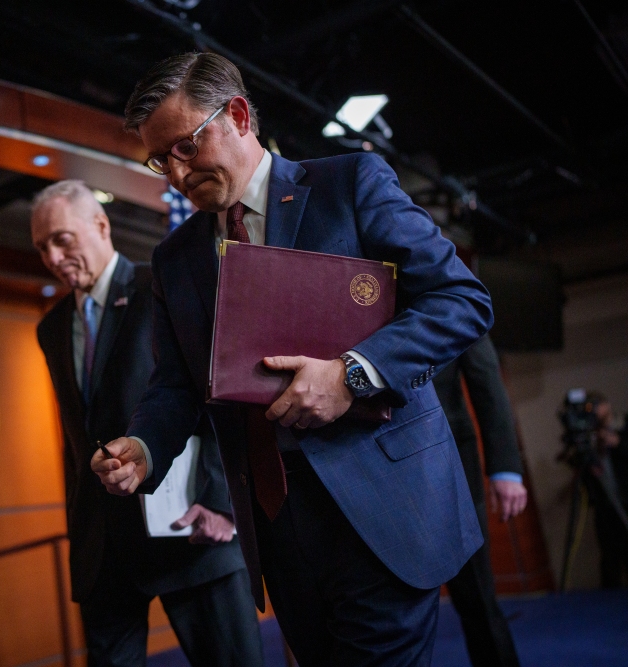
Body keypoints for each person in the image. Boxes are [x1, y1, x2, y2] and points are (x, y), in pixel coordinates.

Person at [90, 53, 494, 666]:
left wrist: (351, 375)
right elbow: (176, 386)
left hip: (381, 512)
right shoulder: (174, 261)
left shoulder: (351, 184)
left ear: (240, 115)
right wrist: (144, 449)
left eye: (185, 147)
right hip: (277, 532)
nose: (174, 173)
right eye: (158, 160)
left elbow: (460, 300)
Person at [31, 180, 264, 667]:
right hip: (103, 549)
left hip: (192, 533)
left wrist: (222, 503)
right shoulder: (50, 328)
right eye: (42, 247)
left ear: (100, 225)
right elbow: (79, 435)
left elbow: (223, 396)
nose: (53, 256)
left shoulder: (162, 284)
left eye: (62, 239)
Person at [432, 334, 528, 667]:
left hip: (448, 459)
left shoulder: (446, 285)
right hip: (366, 465)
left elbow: (484, 373)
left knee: (477, 597)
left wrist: (505, 469)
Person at [589, 392, 628, 588]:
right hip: (606, 508)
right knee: (610, 560)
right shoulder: (590, 438)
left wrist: (618, 443)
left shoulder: (624, 426)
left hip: (624, 502)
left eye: (596, 404)